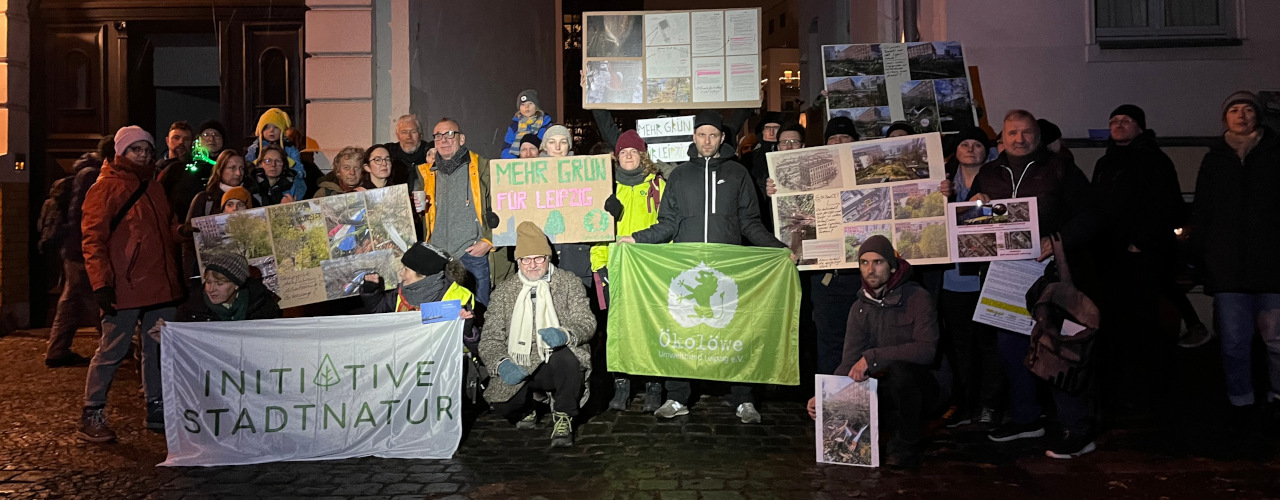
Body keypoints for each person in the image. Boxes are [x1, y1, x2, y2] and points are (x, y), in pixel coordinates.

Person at [622, 110, 788, 424]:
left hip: (728, 270)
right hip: (688, 268)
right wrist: (636, 238)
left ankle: (743, 399)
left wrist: (779, 249)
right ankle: (676, 396)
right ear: (694, 137)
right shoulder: (680, 175)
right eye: (702, 135)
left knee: (735, 332)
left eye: (713, 135)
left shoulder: (738, 174)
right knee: (682, 330)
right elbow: (668, 224)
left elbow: (751, 223)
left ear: (723, 138)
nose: (707, 140)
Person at [968, 110, 1098, 459]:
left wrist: (1057, 239)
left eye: (1026, 133)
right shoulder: (990, 172)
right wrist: (974, 206)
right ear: (1002, 138)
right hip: (1005, 276)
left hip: (1049, 275)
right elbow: (974, 217)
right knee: (1012, 350)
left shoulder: (1059, 169)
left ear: (1037, 136)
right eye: (1012, 133)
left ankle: (1078, 428)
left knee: (1056, 348)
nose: (1019, 139)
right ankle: (1027, 419)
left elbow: (1092, 215)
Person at [79, 126, 186, 442]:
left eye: (146, 149)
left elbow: (166, 227)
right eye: (135, 149)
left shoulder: (153, 186)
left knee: (157, 348)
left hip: (159, 286)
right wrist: (101, 283)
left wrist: (183, 232)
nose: (142, 154)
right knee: (112, 350)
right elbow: (93, 239)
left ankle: (155, 406)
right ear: (120, 152)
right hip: (124, 286)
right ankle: (92, 412)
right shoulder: (105, 189)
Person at [807, 235, 939, 468]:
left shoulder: (918, 297)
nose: (871, 269)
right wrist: (826, 395)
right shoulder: (860, 306)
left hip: (923, 386)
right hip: (884, 387)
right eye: (864, 263)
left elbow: (927, 350)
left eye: (878, 262)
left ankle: (907, 446)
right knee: (860, 390)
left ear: (892, 265)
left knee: (901, 372)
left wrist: (872, 357)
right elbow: (848, 360)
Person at [1191, 91, 1280, 424]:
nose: (1241, 115)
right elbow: (1203, 212)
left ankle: (1277, 395)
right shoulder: (1214, 159)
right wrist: (1201, 257)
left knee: (1276, 340)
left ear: (1258, 116)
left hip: (1272, 265)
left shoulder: (1274, 154)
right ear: (1224, 118)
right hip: (1227, 268)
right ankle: (1240, 400)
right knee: (1233, 341)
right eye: (1233, 110)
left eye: (1247, 110)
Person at [1090, 104, 1185, 413]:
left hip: (1141, 259)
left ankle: (1146, 392)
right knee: (1114, 325)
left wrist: (1140, 243)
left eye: (1126, 120)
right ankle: (1120, 389)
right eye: (1114, 120)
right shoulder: (1106, 163)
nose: (1119, 125)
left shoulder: (1155, 161)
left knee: (1142, 325)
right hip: (1110, 258)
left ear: (1140, 127)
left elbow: (1167, 205)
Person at [479, 222, 596, 447]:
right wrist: (501, 364)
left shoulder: (568, 282)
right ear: (518, 262)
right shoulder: (505, 291)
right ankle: (529, 406)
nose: (532, 265)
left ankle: (564, 415)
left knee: (568, 360)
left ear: (548, 258)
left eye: (538, 258)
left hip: (555, 357)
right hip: (520, 359)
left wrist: (565, 334)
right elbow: (490, 337)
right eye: (526, 259)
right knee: (503, 402)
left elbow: (587, 322)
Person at [590, 129, 668, 412]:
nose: (628, 157)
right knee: (618, 330)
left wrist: (662, 264)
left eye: (633, 152)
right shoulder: (605, 187)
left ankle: (653, 385)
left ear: (642, 155)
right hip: (615, 266)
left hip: (648, 269)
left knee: (651, 327)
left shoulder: (658, 186)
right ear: (616, 156)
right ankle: (621, 385)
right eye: (623, 152)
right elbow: (594, 229)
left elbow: (667, 226)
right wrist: (600, 264)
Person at [939, 127, 1001, 430]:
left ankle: (989, 404)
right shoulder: (943, 181)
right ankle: (963, 402)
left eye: (978, 144)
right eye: (965, 143)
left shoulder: (998, 179)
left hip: (987, 276)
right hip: (953, 278)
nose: (971, 149)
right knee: (959, 345)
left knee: (988, 343)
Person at [416, 117, 495, 306]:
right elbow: (422, 215)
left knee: (477, 316)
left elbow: (503, 207)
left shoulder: (482, 168)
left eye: (450, 134)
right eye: (438, 136)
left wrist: (488, 241)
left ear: (462, 139)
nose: (444, 140)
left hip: (471, 255)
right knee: (440, 317)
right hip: (437, 258)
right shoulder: (427, 173)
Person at [45, 144, 108, 368]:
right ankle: (109, 345)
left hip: (73, 247)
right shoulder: (92, 175)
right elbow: (86, 214)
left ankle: (57, 349)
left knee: (71, 299)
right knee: (93, 298)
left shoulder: (83, 171)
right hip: (81, 248)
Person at [361, 242, 475, 318]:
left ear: (423, 275)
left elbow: (473, 344)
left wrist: (466, 327)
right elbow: (377, 311)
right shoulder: (403, 292)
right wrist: (371, 290)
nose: (401, 273)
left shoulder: (455, 299)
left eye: (406, 269)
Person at [175, 253, 281, 322]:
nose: (211, 289)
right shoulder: (191, 310)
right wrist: (165, 337)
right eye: (208, 282)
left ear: (237, 284)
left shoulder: (261, 303)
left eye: (219, 283)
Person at [245, 107, 307, 200]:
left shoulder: (289, 147)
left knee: (297, 183)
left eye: (276, 127)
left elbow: (297, 165)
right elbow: (248, 163)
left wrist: (295, 173)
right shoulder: (255, 147)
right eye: (267, 127)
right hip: (261, 180)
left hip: (285, 180)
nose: (271, 131)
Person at [385, 114, 433, 190]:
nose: (408, 137)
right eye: (404, 132)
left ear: (420, 134)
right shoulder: (388, 152)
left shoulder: (430, 152)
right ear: (398, 135)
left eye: (413, 132)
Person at [501, 89, 552, 159]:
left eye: (530, 103)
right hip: (520, 164)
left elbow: (551, 147)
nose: (526, 107)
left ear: (536, 107)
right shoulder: (514, 127)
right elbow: (507, 148)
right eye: (523, 104)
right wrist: (514, 164)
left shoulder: (546, 124)